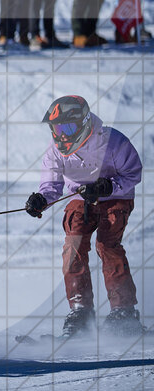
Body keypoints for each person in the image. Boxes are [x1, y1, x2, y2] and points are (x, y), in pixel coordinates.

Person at [26, 95, 144, 338]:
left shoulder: (113, 142)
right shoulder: (55, 152)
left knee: (107, 245)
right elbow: (51, 187)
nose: (62, 136)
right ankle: (81, 311)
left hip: (116, 196)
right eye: (56, 129)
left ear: (85, 123)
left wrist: (108, 187)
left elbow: (133, 173)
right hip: (81, 198)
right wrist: (41, 200)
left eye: (68, 129)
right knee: (73, 246)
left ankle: (123, 311)